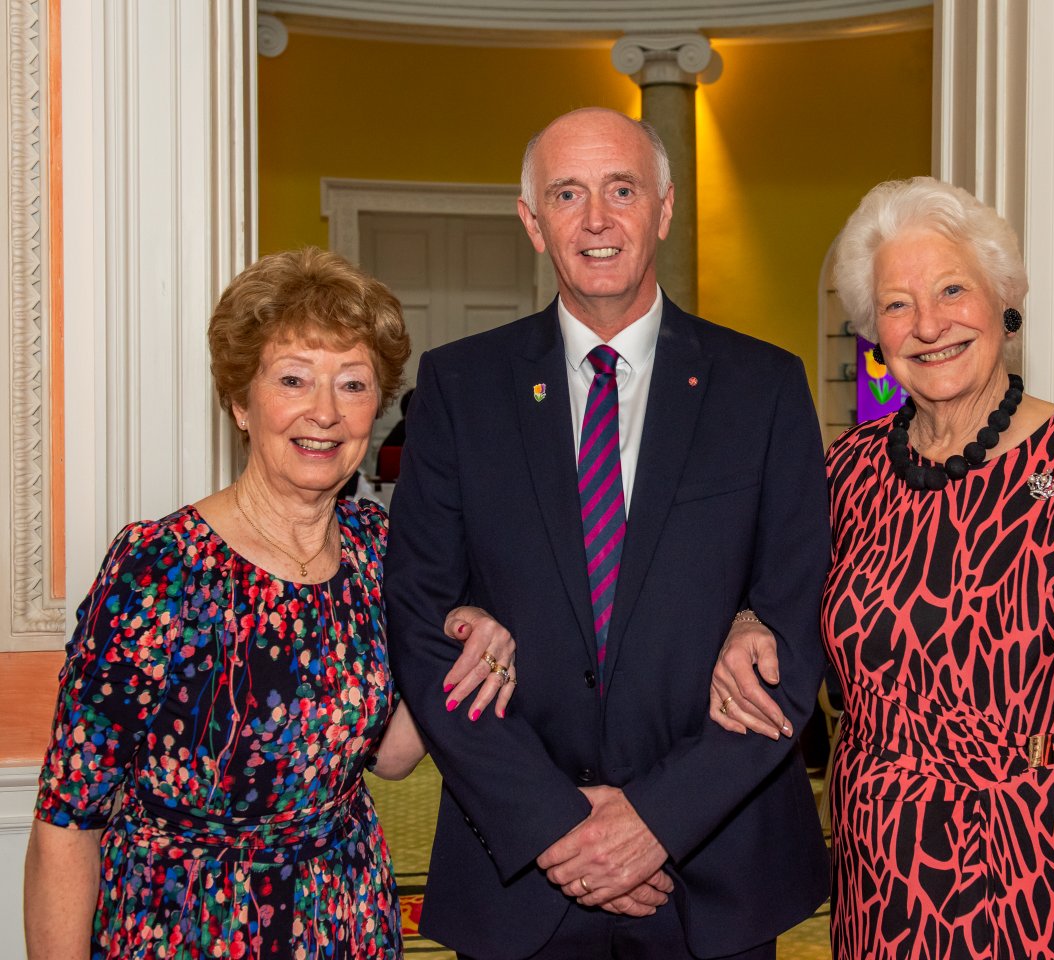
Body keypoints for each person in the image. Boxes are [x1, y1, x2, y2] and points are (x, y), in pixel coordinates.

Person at [384, 107, 830, 960]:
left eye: (621, 190)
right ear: (532, 222)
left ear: (663, 209)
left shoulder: (764, 387)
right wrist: (556, 828)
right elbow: (420, 619)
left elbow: (794, 625)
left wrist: (659, 819)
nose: (596, 219)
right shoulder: (458, 390)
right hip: (520, 871)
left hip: (713, 867)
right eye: (567, 194)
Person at [710, 177, 1054, 959]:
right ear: (875, 332)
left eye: (952, 289)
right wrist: (748, 619)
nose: (929, 325)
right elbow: (773, 593)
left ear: (1004, 299)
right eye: (897, 305)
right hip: (876, 865)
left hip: (1030, 867)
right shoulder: (848, 470)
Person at [24, 248, 516, 960]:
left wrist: (479, 648)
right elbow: (68, 820)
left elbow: (391, 758)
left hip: (344, 917)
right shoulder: (160, 567)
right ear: (240, 401)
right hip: (184, 927)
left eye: (353, 384)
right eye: (293, 380)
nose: (325, 412)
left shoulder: (382, 551)